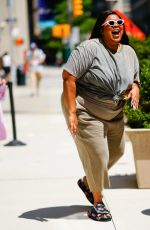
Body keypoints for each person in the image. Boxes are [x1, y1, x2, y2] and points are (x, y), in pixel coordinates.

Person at [61, 10, 140, 221]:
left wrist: (135, 88)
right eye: (111, 22)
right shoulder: (90, 48)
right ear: (102, 28)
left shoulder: (129, 52)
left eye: (119, 22)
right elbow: (68, 77)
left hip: (113, 112)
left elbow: (134, 78)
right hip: (85, 109)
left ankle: (88, 181)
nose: (116, 25)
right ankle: (98, 202)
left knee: (118, 151)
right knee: (99, 155)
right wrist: (72, 114)